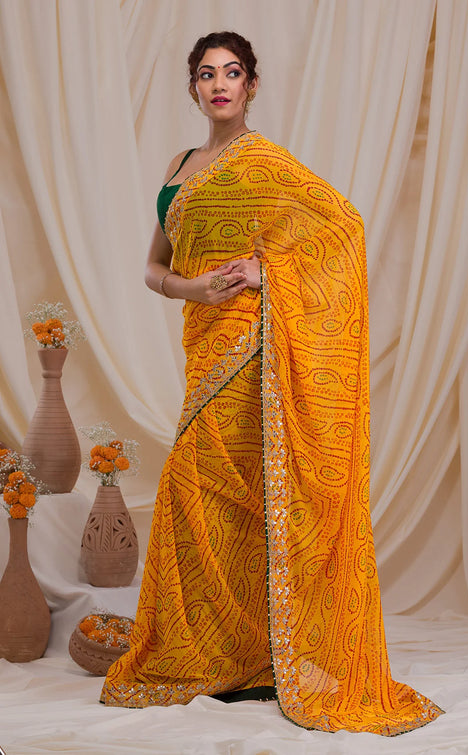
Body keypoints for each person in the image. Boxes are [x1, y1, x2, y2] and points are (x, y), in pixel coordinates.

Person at [100, 31, 443, 735]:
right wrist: (191, 287)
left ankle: (266, 653)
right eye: (206, 74)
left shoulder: (266, 163)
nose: (219, 84)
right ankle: (219, 652)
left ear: (251, 85)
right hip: (204, 343)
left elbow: (341, 231)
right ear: (193, 88)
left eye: (231, 73)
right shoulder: (179, 165)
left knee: (240, 493)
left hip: (254, 349)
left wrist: (269, 271)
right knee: (205, 497)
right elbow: (154, 267)